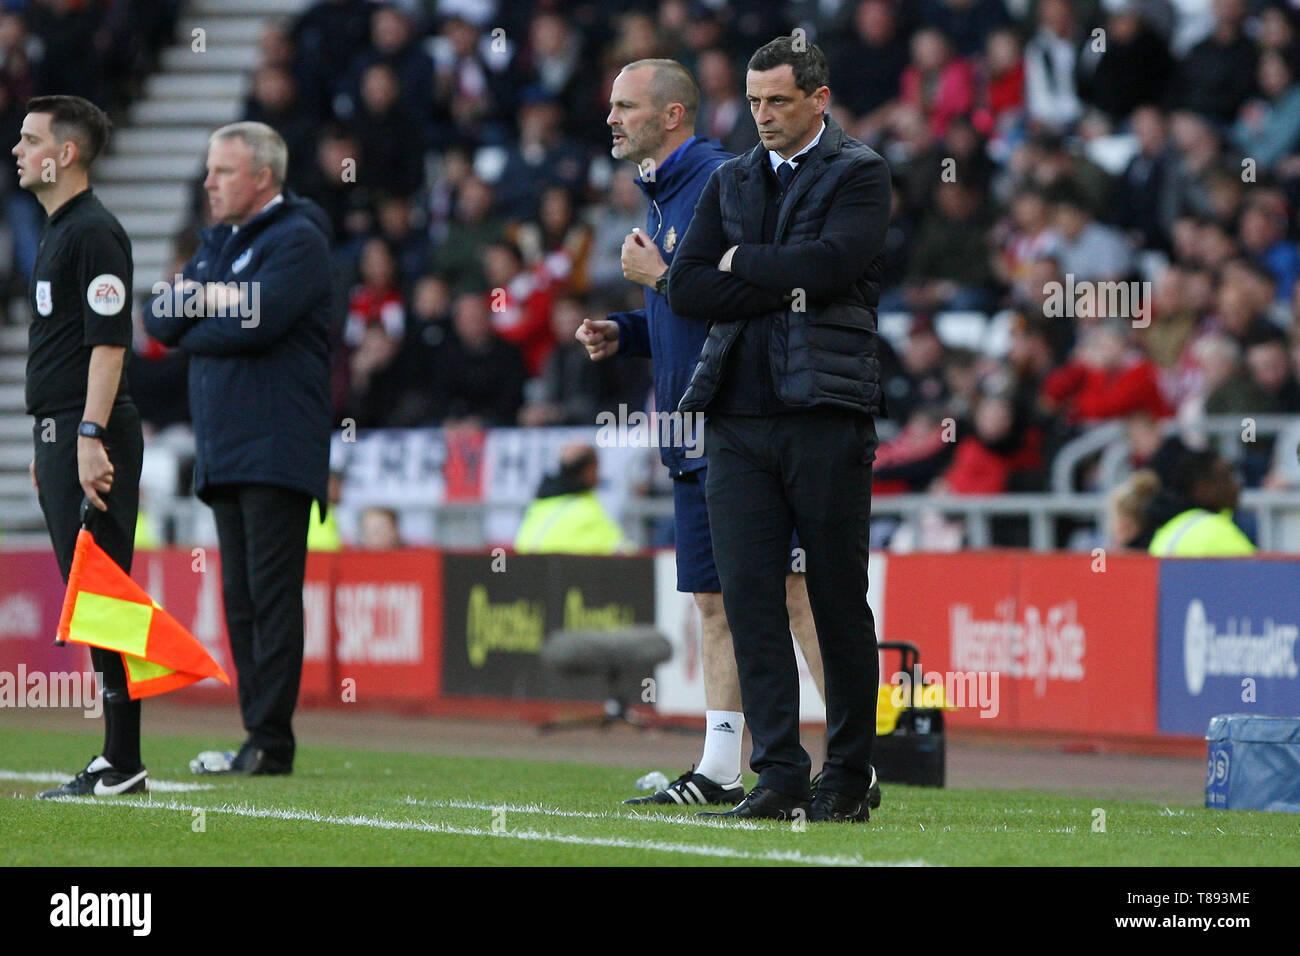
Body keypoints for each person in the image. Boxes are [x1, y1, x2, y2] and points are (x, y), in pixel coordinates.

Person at [577, 57, 847, 810]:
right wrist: (628, 331)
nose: (611, 118)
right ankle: (721, 766)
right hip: (691, 430)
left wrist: (658, 280)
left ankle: (860, 760)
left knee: (794, 594)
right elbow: (687, 306)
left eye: (626, 105)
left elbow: (748, 295)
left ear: (671, 116)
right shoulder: (662, 191)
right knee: (713, 604)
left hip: (747, 425)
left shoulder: (722, 183)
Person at [668, 36, 891, 822]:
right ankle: (780, 774)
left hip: (825, 416)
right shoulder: (732, 177)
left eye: (779, 102)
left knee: (836, 600)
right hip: (737, 421)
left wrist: (739, 264)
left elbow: (830, 268)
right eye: (756, 101)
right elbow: (688, 287)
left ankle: (848, 779)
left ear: (819, 101)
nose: (762, 115)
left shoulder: (860, 172)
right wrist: (765, 269)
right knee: (751, 601)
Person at [144, 122, 333, 776]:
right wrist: (204, 304)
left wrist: (199, 312)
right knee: (243, 600)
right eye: (209, 170)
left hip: (277, 444)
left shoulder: (299, 240)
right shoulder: (218, 246)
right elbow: (159, 319)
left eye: (222, 172)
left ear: (261, 177)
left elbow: (258, 321)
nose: (208, 183)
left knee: (271, 597)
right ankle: (259, 735)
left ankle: (271, 742)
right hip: (225, 448)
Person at [18, 95, 146, 799]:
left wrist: (88, 435)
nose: (17, 150)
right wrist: (50, 438)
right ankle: (117, 758)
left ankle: (122, 761)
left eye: (30, 138)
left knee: (103, 594)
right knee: (93, 594)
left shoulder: (95, 232)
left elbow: (108, 344)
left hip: (88, 428)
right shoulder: (60, 231)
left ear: (64, 153)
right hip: (62, 428)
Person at [514, 444, 626, 554]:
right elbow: (621, 551)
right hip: (565, 569)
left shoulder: (540, 504)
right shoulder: (586, 509)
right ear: (590, 469)